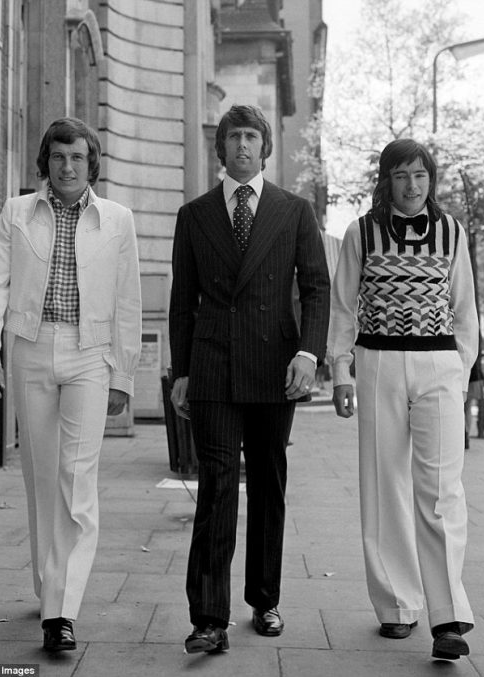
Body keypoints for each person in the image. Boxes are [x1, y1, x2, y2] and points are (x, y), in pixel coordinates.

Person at [0, 117, 141, 652]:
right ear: (45, 162)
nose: (68, 167)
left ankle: (61, 612)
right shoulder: (18, 212)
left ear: (93, 164)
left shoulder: (117, 220)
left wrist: (125, 373)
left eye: (79, 158)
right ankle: (49, 583)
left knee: (75, 478)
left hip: (91, 354)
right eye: (59, 157)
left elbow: (128, 302)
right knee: (42, 476)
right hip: (30, 347)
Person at [169, 104, 330, 653]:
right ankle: (209, 618)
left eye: (251, 136)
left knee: (268, 481)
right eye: (233, 136)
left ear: (264, 147)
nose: (242, 145)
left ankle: (265, 599)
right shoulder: (194, 215)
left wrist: (310, 355)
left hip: (274, 366)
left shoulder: (294, 211)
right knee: (216, 486)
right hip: (212, 367)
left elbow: (316, 288)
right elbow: (181, 301)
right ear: (221, 148)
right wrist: (182, 370)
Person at [328, 139, 479, 660]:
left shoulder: (451, 231)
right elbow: (343, 307)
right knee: (383, 485)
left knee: (440, 490)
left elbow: (465, 311)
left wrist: (458, 381)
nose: (413, 186)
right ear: (385, 181)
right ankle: (396, 605)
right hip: (378, 364)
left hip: (438, 364)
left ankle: (448, 616)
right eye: (401, 176)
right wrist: (341, 372)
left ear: (430, 179)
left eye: (420, 175)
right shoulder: (360, 233)